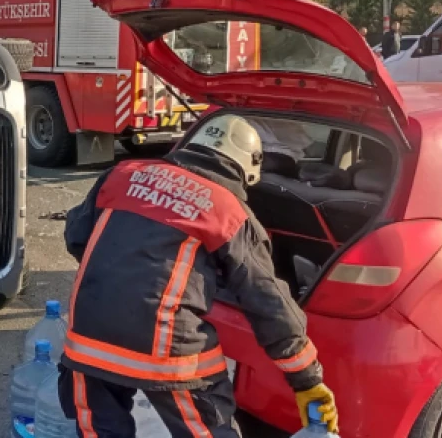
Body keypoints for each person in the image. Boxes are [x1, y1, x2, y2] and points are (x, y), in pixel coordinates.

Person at [58, 114, 338, 437]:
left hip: (87, 342)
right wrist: (307, 380)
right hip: (167, 354)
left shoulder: (121, 175)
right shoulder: (227, 211)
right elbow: (267, 299)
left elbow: (77, 237)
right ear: (244, 169)